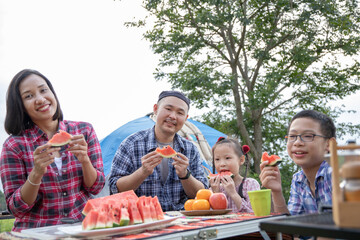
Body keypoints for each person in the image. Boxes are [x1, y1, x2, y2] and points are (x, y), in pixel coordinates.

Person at [0, 69, 105, 231]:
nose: (40, 99)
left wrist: (85, 161)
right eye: (29, 96)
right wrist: (36, 174)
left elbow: (96, 188)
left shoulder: (84, 131)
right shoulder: (14, 145)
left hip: (80, 229)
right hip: (36, 232)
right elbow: (16, 208)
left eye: (43, 90)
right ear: (20, 106)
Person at [108, 90, 208, 211]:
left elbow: (201, 193)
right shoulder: (131, 144)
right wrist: (142, 172)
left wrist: (185, 175)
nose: (173, 116)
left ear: (186, 118)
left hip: (182, 220)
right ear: (156, 109)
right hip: (143, 219)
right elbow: (115, 189)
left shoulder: (190, 149)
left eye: (180, 113)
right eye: (168, 109)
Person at [259, 110, 335, 215]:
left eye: (308, 136)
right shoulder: (298, 179)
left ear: (329, 144)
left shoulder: (337, 174)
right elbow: (290, 228)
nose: (297, 142)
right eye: (292, 136)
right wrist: (276, 192)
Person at [209, 137, 260, 213]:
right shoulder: (213, 189)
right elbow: (212, 216)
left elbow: (254, 213)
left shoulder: (250, 184)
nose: (222, 164)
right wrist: (217, 194)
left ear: (241, 160)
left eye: (227, 158)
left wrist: (233, 193)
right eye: (217, 159)